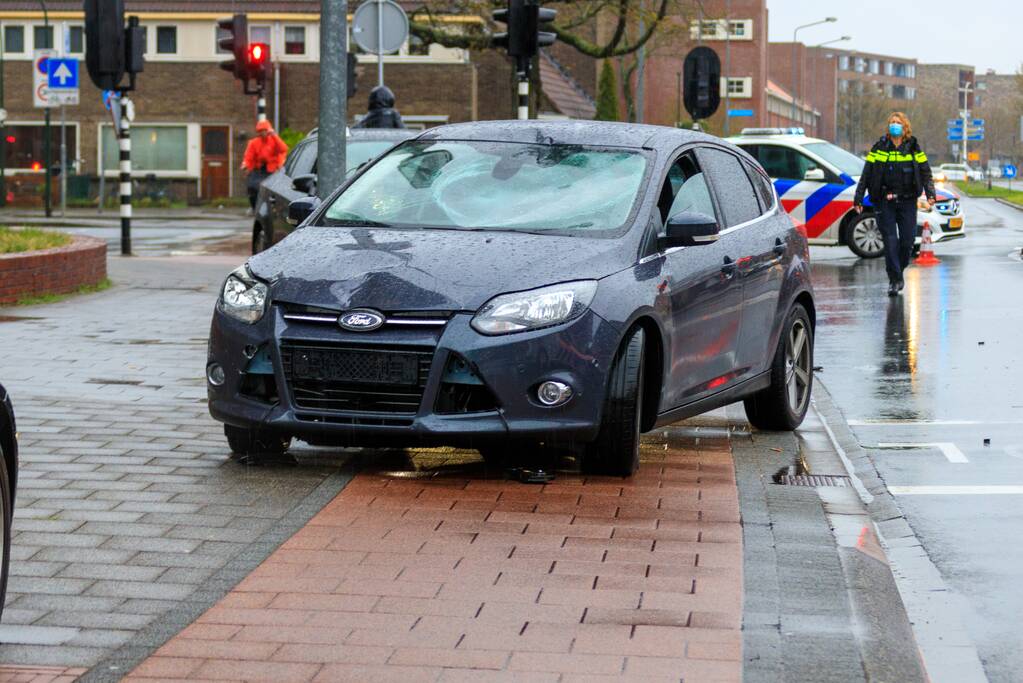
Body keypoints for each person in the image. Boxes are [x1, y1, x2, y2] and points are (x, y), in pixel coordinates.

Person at [854, 112, 936, 296]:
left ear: (905, 127)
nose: (894, 125)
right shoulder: (879, 147)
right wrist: (858, 198)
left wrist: (931, 194)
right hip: (884, 202)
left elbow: (925, 172)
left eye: (898, 123)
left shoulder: (914, 148)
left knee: (907, 242)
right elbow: (867, 174)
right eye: (892, 122)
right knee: (891, 241)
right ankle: (895, 279)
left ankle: (897, 271)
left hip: (907, 201)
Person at [241, 120, 289, 211]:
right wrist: (246, 166)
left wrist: (274, 135)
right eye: (260, 131)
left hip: (272, 170)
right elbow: (248, 156)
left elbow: (283, 149)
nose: (262, 132)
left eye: (264, 130)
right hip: (258, 170)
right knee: (252, 187)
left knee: (271, 191)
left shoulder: (274, 141)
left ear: (268, 130)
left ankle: (271, 209)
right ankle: (255, 209)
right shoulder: (254, 142)